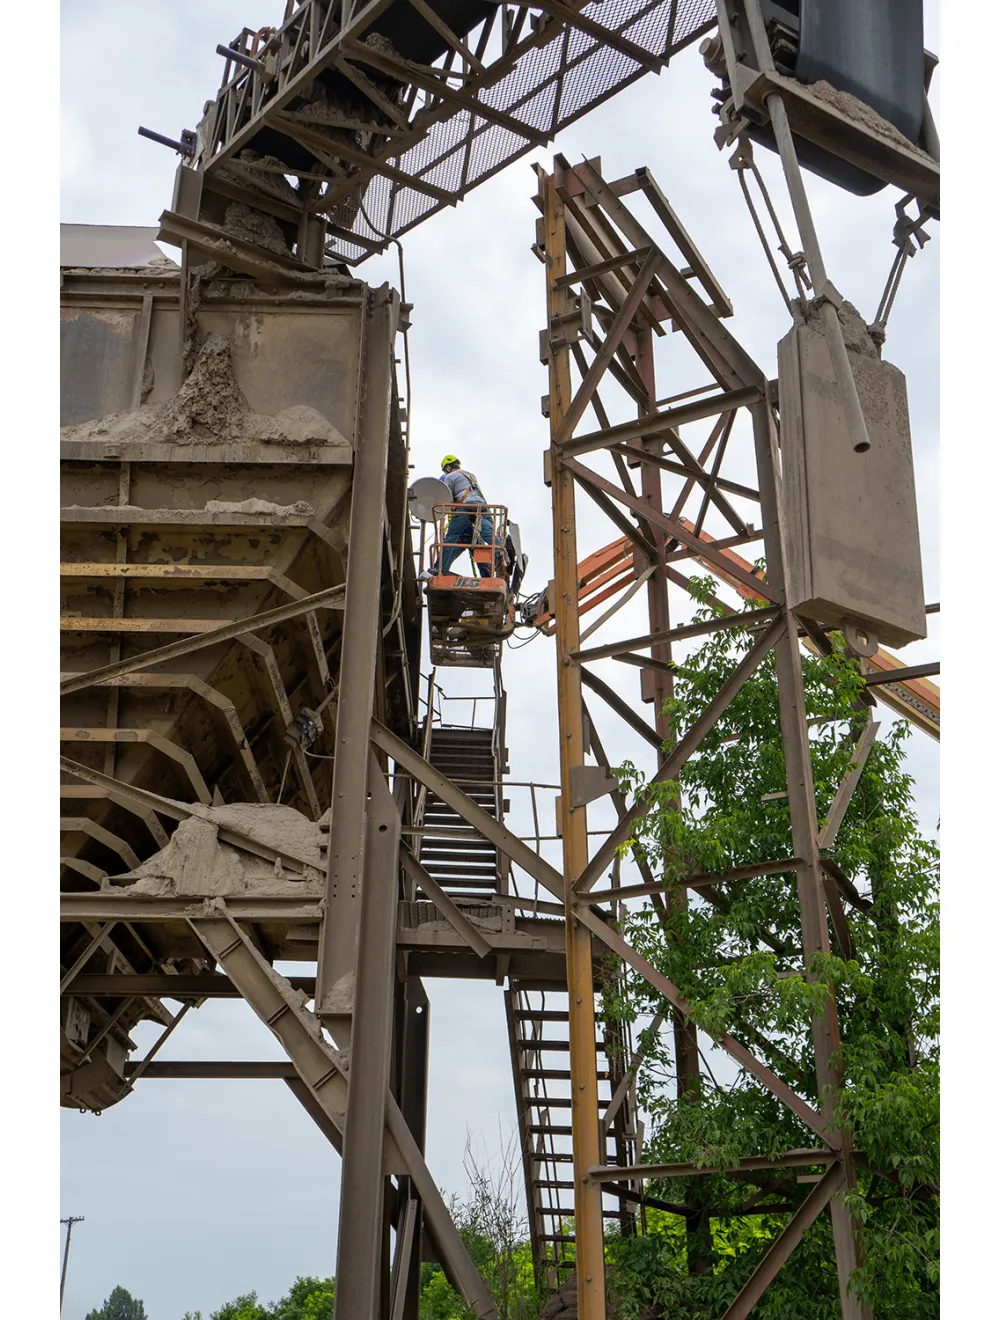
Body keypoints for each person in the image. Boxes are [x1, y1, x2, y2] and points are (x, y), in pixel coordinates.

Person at [420, 455, 496, 579]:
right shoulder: (468, 481)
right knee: (475, 550)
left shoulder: (450, 481)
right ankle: (488, 577)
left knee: (450, 545)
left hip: (465, 525)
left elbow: (446, 497)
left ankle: (438, 570)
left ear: (448, 468)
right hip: (469, 528)